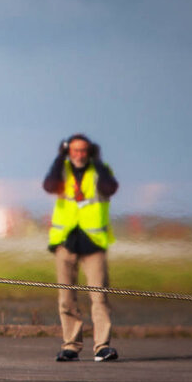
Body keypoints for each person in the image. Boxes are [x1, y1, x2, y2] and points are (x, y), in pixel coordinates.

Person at [43, 134, 119, 362]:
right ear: (68, 151)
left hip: (93, 243)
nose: (79, 155)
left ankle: (102, 346)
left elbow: (110, 188)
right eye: (74, 150)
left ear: (90, 151)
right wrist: (59, 158)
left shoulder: (100, 171)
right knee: (66, 298)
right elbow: (49, 186)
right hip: (66, 241)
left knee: (99, 297)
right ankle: (71, 345)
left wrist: (98, 161)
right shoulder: (62, 169)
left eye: (83, 150)